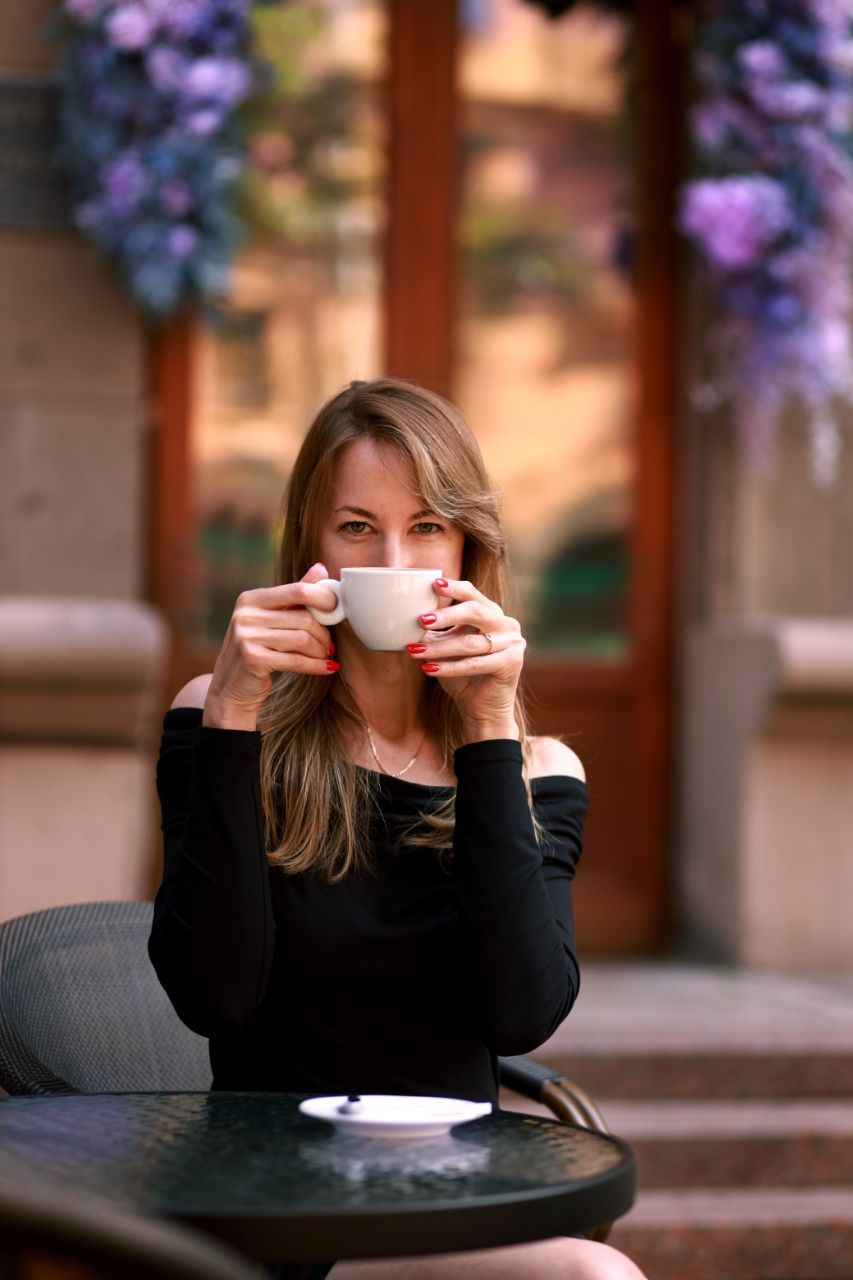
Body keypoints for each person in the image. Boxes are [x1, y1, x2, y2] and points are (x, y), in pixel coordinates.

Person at [150, 378, 647, 1280]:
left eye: (424, 528)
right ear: (310, 548)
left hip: (455, 1197)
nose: (391, 556)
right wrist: (231, 711)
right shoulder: (224, 722)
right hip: (274, 1203)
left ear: (465, 546)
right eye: (355, 528)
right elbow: (210, 996)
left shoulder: (534, 770)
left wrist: (490, 728)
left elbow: (521, 1013)